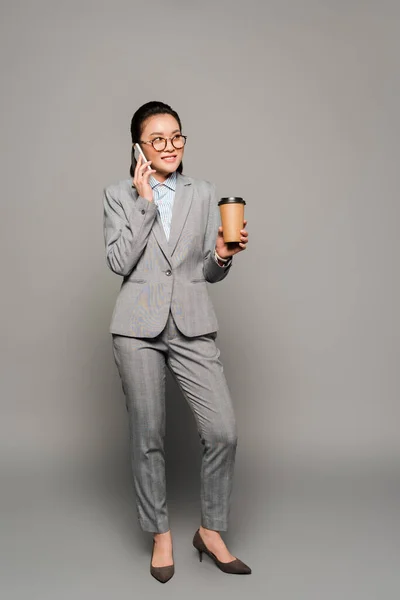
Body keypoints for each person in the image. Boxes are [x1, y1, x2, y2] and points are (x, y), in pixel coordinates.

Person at [103, 101, 251, 583]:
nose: (170, 147)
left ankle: (210, 530)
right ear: (138, 147)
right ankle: (160, 532)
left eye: (177, 137)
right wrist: (145, 202)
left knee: (222, 431)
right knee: (148, 437)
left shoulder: (204, 193)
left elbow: (204, 272)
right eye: (157, 139)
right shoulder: (118, 195)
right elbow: (119, 263)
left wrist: (223, 256)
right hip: (137, 328)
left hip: (191, 322)